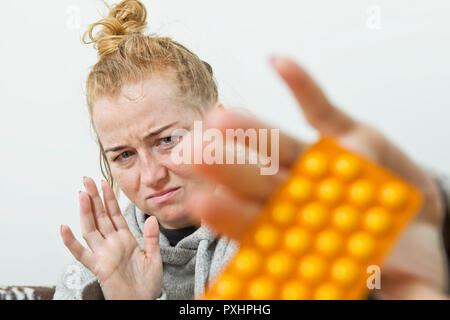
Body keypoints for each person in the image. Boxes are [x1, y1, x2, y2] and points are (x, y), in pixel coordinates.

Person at [55, 0, 449, 299]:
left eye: (167, 140)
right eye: (124, 155)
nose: (151, 175)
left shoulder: (292, 234)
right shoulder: (96, 268)